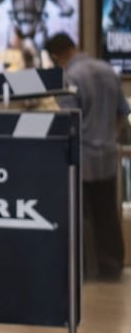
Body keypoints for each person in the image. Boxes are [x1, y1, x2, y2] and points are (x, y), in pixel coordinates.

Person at [46, 32, 127, 280]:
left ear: (56, 56)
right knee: (107, 213)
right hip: (108, 156)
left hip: (82, 157)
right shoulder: (108, 70)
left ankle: (82, 267)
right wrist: (108, 136)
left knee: (79, 215)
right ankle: (112, 265)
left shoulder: (69, 78)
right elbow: (122, 112)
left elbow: (69, 121)